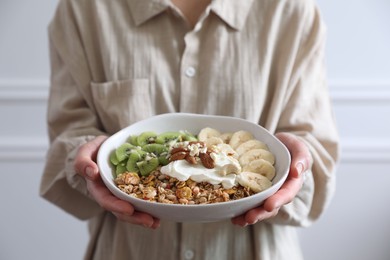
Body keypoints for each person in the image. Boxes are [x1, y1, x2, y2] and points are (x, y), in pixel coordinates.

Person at [40, 0, 339, 259]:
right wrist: (86, 162)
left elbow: (317, 153)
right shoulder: (85, 10)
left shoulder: (291, 11)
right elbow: (67, 137)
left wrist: (296, 165)